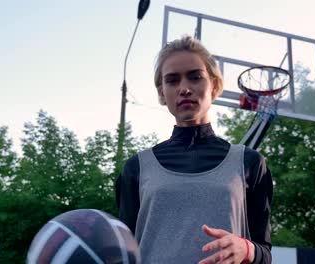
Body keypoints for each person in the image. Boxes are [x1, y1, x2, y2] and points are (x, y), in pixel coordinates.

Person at [115, 35, 273, 264]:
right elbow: (123, 255)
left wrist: (247, 249)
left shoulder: (250, 163)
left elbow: (265, 255)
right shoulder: (136, 168)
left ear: (215, 85)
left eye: (195, 77)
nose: (185, 88)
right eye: (172, 80)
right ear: (161, 92)